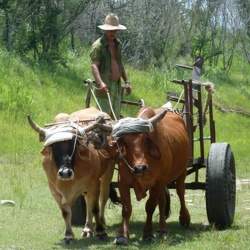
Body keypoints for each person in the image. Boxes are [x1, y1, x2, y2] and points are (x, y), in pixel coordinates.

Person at [89, 13, 131, 120]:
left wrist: (126, 81)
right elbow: (94, 66)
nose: (113, 33)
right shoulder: (98, 46)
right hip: (104, 88)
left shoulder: (118, 44)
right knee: (103, 119)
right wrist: (101, 83)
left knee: (114, 118)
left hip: (116, 87)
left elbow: (120, 64)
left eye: (115, 30)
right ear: (105, 30)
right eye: (111, 30)